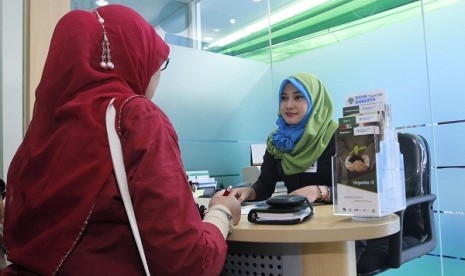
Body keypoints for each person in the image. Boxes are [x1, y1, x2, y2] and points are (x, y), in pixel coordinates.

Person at [2, 5, 240, 276]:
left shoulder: (40, 131)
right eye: (156, 63)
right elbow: (188, 263)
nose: (157, 76)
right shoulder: (134, 117)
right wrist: (221, 213)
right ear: (133, 58)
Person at [232, 73, 338, 203]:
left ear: (315, 101)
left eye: (298, 97)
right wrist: (249, 191)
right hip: (294, 216)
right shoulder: (278, 140)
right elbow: (265, 186)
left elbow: (358, 189)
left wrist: (319, 191)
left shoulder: (338, 136)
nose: (289, 105)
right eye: (284, 98)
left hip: (334, 219)